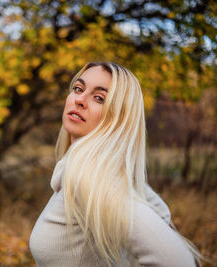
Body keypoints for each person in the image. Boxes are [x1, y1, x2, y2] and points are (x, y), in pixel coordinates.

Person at [29, 62, 201, 266]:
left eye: (99, 98)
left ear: (119, 119)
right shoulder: (87, 171)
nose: (80, 100)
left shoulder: (90, 178)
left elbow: (176, 261)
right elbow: (160, 212)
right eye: (78, 88)